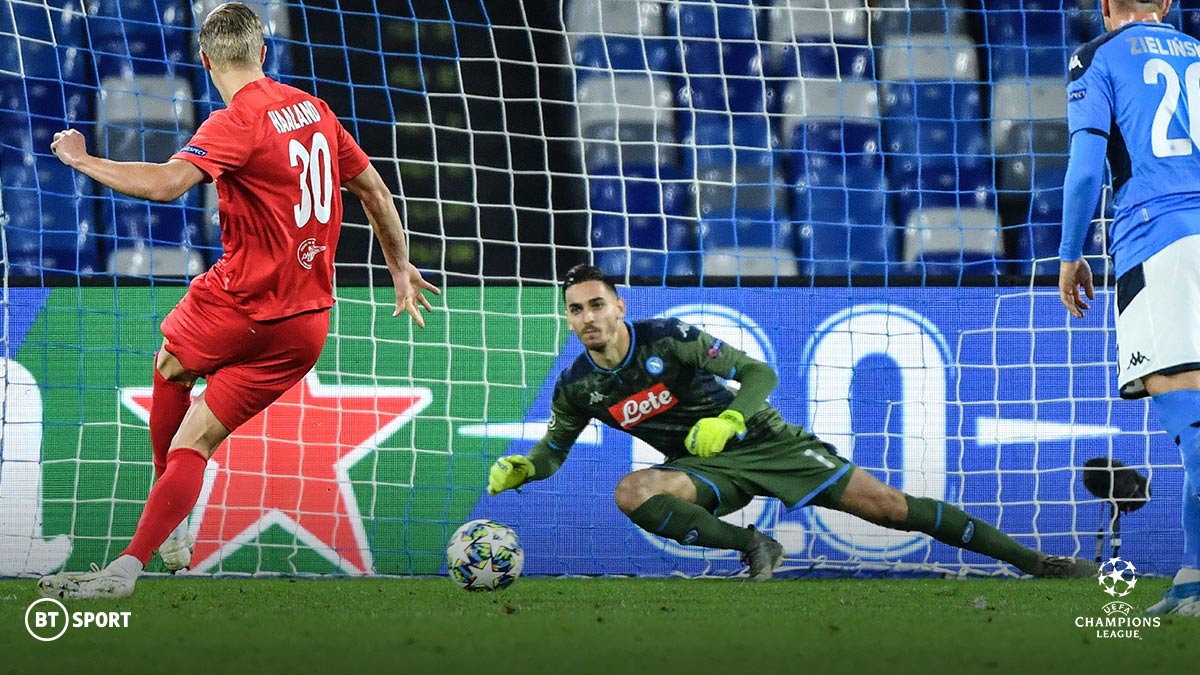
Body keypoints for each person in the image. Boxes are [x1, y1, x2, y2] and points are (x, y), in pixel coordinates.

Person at [38, 2, 439, 599]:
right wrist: (401, 268)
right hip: (306, 327)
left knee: (176, 391)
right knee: (181, 398)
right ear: (264, 52)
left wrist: (80, 158)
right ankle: (153, 546)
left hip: (241, 305)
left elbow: (165, 186)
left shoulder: (235, 122)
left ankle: (138, 558)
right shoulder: (315, 111)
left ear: (203, 60)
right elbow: (375, 191)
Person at [488, 264, 1098, 580]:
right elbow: (553, 450)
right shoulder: (578, 387)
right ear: (568, 319)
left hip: (765, 442)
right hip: (703, 470)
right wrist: (527, 467)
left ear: (620, 306)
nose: (589, 317)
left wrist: (729, 418)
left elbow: (759, 374)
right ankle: (755, 546)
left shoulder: (669, 339)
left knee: (888, 506)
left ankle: (1035, 562)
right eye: (576, 310)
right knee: (633, 490)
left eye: (598, 304)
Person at [1060, 0, 1200, 616]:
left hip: (1159, 240)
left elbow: (1086, 169)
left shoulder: (1097, 57)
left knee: (1193, 423)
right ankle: (1193, 577)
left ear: (1104, 5)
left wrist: (1069, 253)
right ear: (1166, 4)